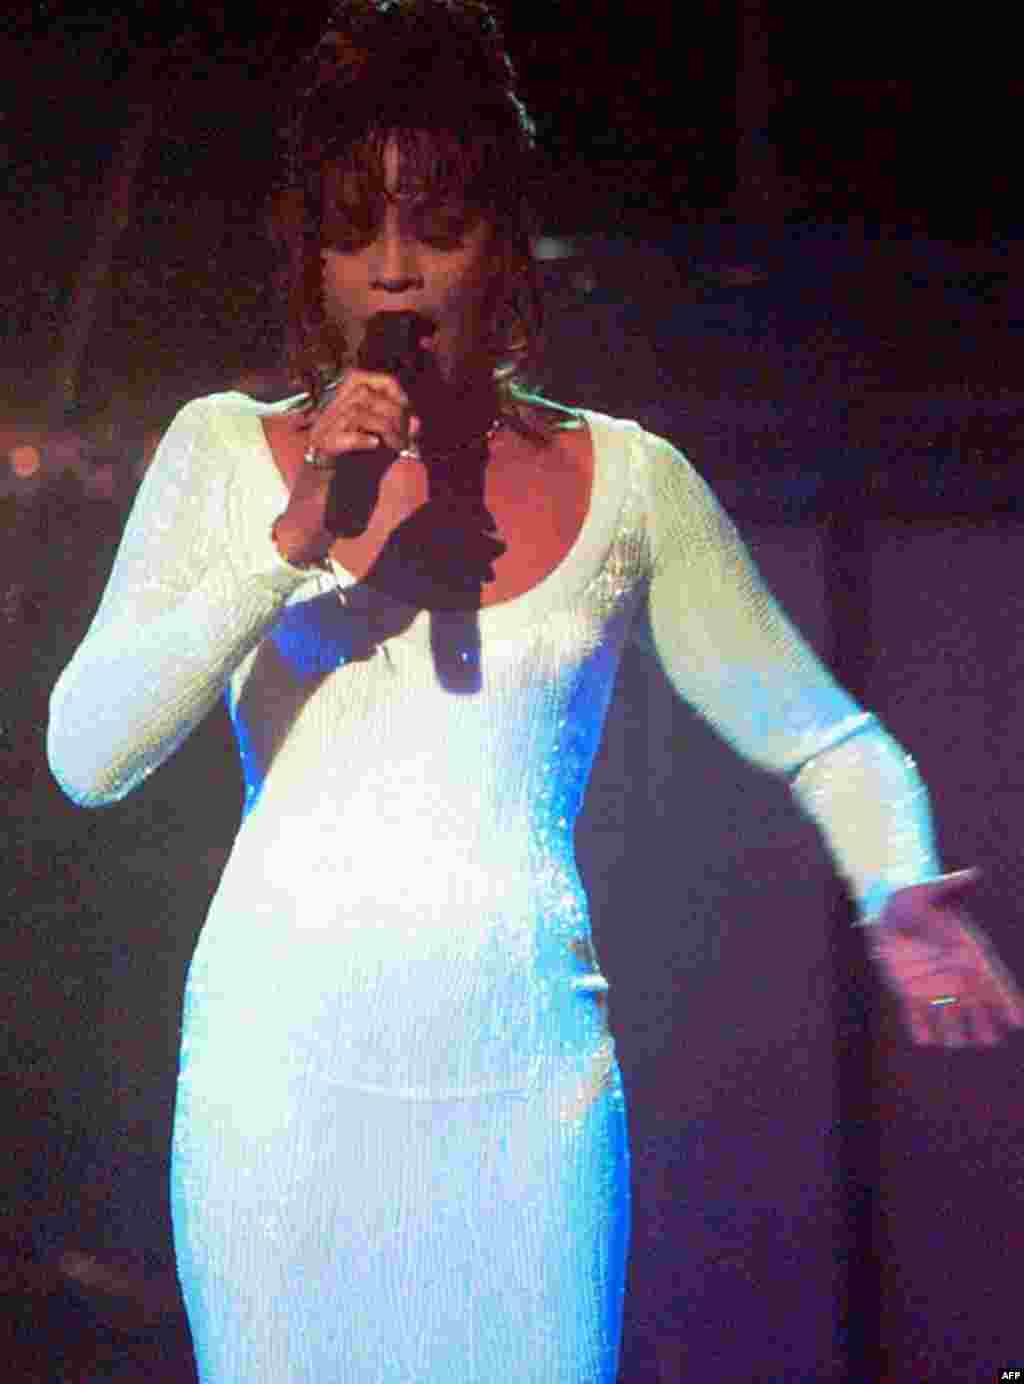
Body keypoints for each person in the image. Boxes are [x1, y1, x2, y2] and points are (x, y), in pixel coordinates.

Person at [46, 3, 1024, 1381]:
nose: (392, 271)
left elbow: (826, 738)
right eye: (351, 232)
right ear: (309, 264)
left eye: (433, 226)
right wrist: (293, 539)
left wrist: (897, 878)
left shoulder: (633, 484)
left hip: (524, 1103)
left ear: (502, 245)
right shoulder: (222, 453)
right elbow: (86, 754)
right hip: (278, 1093)